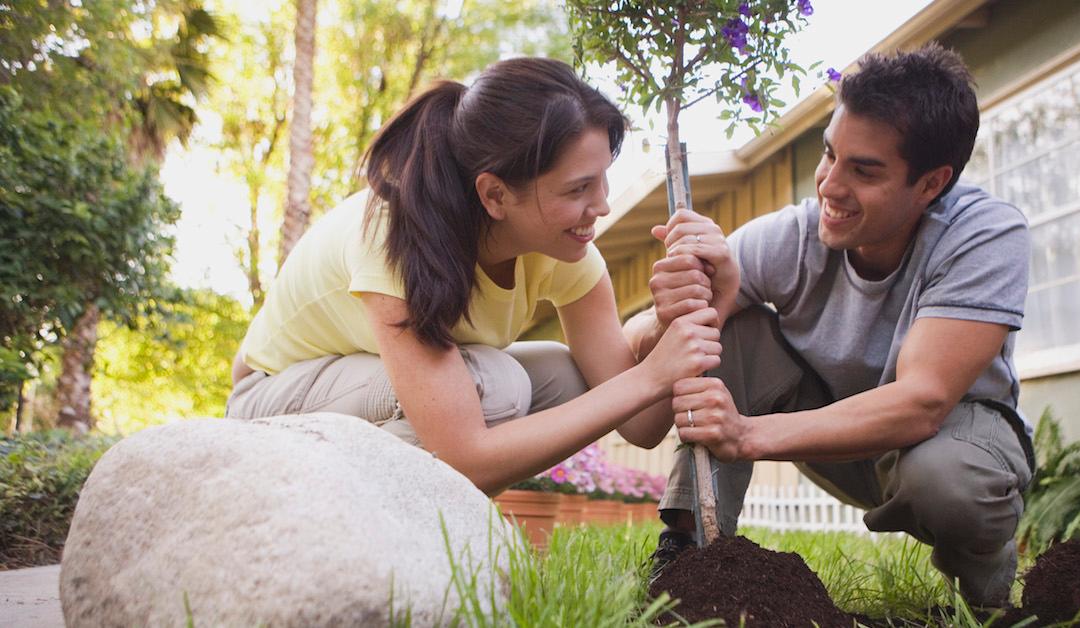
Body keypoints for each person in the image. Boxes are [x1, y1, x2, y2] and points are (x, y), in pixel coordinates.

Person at [625, 43, 1035, 609]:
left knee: (945, 480)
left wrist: (744, 435)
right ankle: (690, 560)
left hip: (945, 444)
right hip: (833, 435)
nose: (829, 185)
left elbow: (923, 401)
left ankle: (987, 604)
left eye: (863, 170)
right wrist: (674, 312)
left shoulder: (984, 235)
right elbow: (649, 343)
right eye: (829, 154)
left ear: (932, 183)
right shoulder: (790, 238)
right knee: (727, 330)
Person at [226, 57, 722, 497]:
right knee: (497, 385)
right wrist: (651, 375)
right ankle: (338, 517)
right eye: (578, 188)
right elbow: (465, 454)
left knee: (568, 376)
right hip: (271, 400)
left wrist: (674, 321)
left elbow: (640, 423)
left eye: (602, 180)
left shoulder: (567, 252)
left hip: (358, 387)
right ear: (495, 195)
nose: (602, 206)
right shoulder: (397, 234)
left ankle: (429, 518)